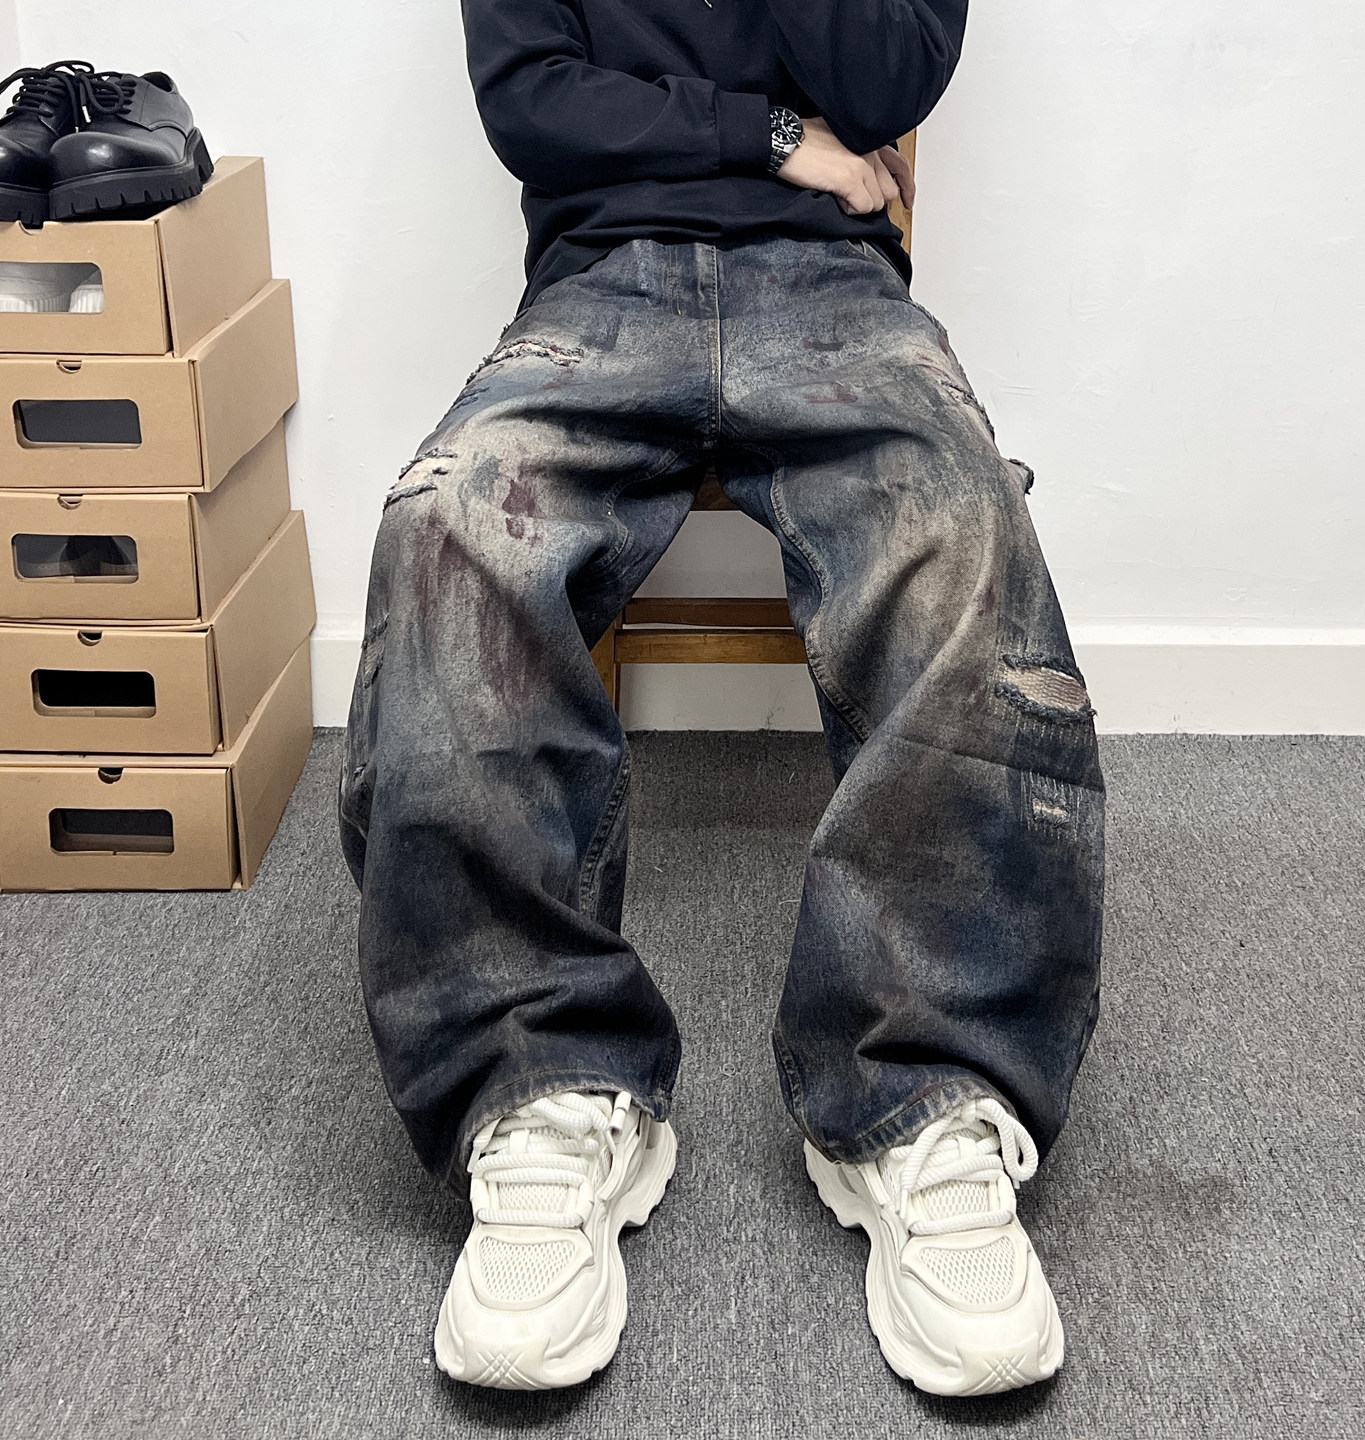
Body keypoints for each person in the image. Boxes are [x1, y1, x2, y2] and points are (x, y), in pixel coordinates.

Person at [339, 0, 1104, 1398]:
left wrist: (798, 144)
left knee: (964, 527)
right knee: (449, 528)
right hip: (601, 289)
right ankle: (539, 1081)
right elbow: (534, 104)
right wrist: (770, 133)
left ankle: (924, 1096)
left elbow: (891, 75)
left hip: (832, 284)